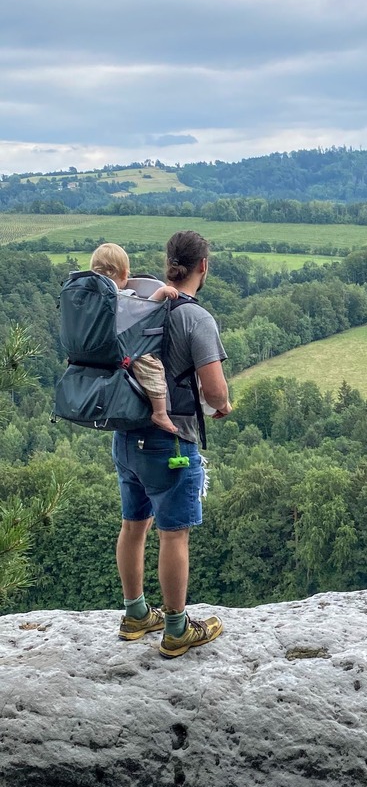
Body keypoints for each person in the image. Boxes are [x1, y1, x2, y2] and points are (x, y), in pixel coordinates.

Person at [113, 230, 233, 658]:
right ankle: (178, 628)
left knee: (132, 527)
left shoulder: (140, 304)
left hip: (126, 437)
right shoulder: (195, 318)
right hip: (171, 443)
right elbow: (215, 391)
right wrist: (222, 406)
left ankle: (135, 614)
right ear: (204, 266)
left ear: (169, 264)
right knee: (173, 535)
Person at [89, 242, 180, 435]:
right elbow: (142, 309)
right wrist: (161, 292)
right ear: (124, 275)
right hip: (123, 347)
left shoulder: (91, 296)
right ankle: (160, 412)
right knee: (152, 366)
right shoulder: (121, 295)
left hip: (96, 349)